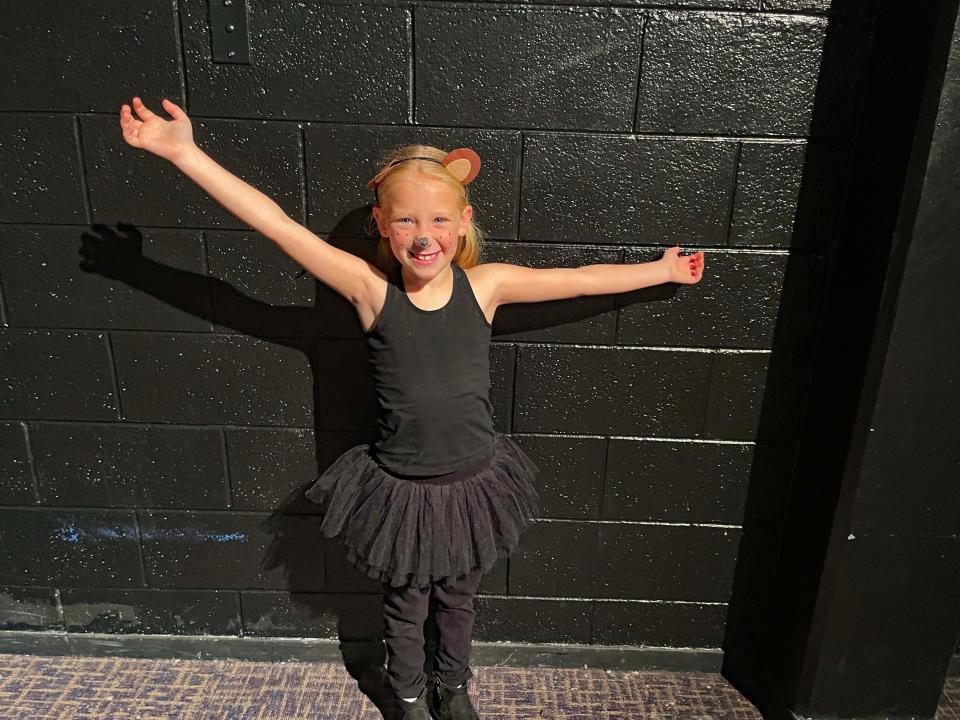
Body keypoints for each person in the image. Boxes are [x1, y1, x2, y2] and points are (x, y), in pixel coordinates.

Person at [119, 96, 705, 720]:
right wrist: (185, 153)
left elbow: (583, 278)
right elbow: (280, 227)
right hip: (400, 490)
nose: (424, 237)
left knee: (459, 598)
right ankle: (406, 696)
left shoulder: (489, 286)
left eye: (439, 222)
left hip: (475, 480)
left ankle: (453, 688)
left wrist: (660, 269)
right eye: (406, 223)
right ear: (380, 224)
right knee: (406, 603)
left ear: (463, 222)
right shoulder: (370, 291)